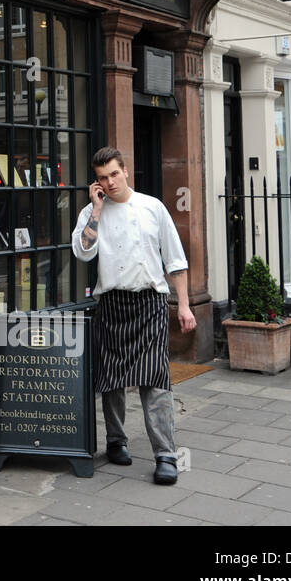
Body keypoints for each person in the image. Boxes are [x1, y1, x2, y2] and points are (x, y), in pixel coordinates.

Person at [71, 146, 195, 485]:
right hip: (111, 303)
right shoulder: (91, 213)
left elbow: (175, 260)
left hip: (150, 303)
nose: (109, 182)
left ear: (125, 170)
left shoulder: (152, 207)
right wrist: (96, 211)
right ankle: (116, 441)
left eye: (113, 174)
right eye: (101, 178)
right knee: (111, 381)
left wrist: (183, 305)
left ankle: (165, 455)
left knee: (155, 380)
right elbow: (83, 252)